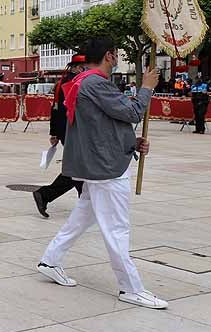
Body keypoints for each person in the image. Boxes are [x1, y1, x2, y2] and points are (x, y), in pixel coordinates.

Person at [37, 37, 166, 310]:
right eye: (116, 54)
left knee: (82, 218)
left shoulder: (83, 82)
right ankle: (130, 288)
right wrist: (146, 88)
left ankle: (50, 260)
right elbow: (132, 112)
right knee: (117, 228)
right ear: (109, 56)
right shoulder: (95, 83)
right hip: (105, 169)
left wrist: (133, 142)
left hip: (95, 166)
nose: (117, 59)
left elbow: (103, 125)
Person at [33, 55, 86, 218]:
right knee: (78, 169)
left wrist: (54, 132)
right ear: (78, 67)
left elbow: (55, 110)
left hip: (65, 131)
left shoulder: (61, 83)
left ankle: (85, 202)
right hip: (74, 131)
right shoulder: (74, 83)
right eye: (85, 67)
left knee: (79, 168)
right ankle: (47, 194)